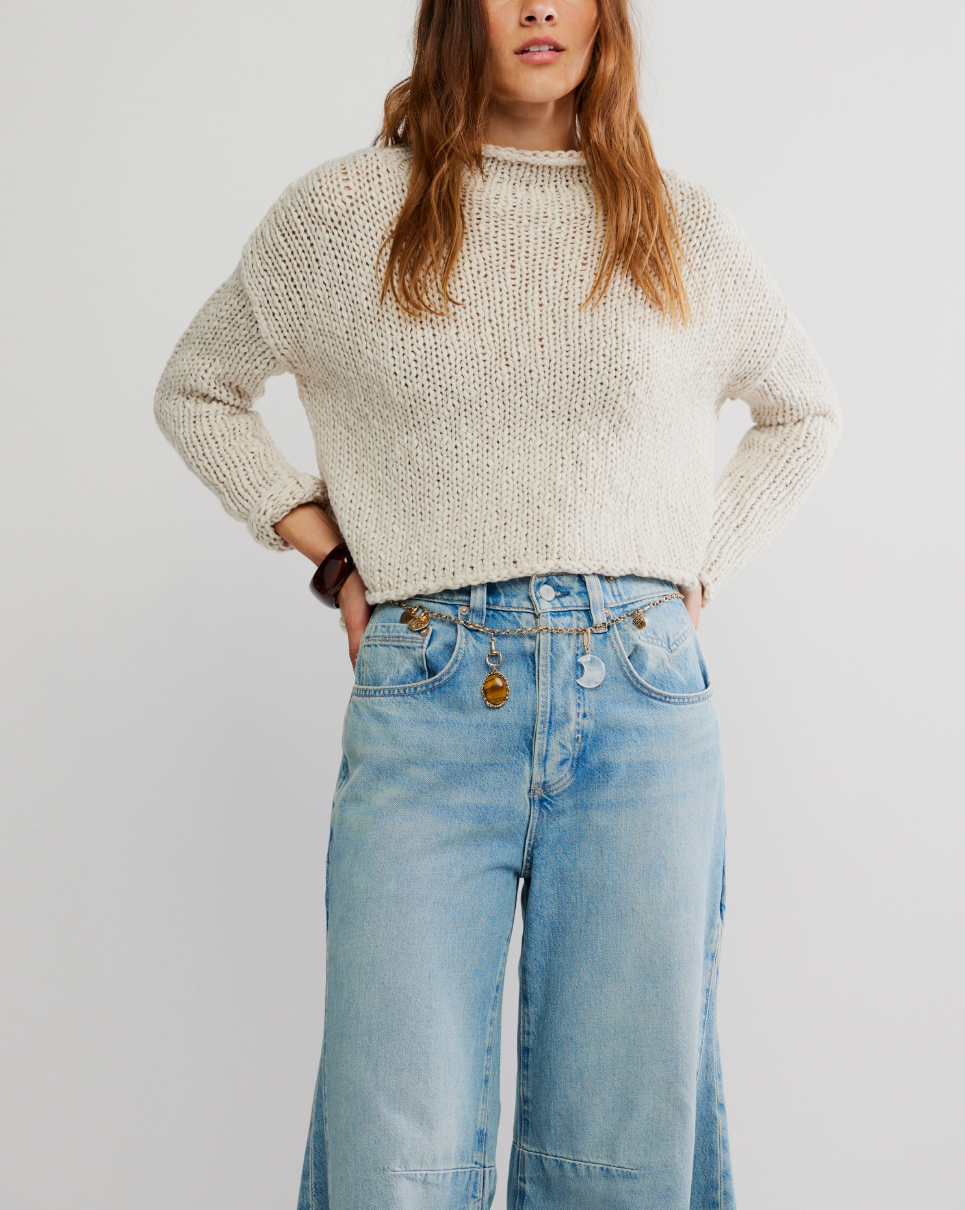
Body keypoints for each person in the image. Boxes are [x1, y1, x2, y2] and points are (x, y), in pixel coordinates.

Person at [154, 0, 840, 1206]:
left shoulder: (678, 222)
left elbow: (802, 413)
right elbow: (197, 388)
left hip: (641, 702)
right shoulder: (342, 214)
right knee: (398, 1136)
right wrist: (335, 561)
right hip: (428, 692)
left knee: (623, 1140)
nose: (537, 8)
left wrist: (690, 568)